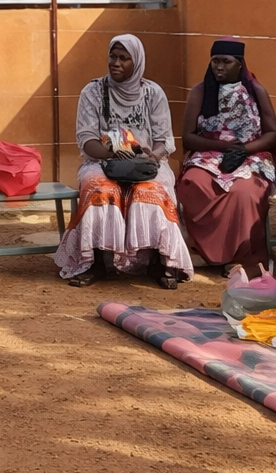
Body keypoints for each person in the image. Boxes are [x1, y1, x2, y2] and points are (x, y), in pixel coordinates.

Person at [55, 33, 193, 288]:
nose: (115, 63)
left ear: (137, 62)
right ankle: (94, 262)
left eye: (123, 58)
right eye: (112, 56)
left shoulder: (153, 93)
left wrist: (155, 154)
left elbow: (164, 139)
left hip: (146, 163)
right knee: (100, 189)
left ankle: (156, 261)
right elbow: (86, 139)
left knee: (151, 191)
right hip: (102, 161)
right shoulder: (93, 91)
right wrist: (113, 154)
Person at [178, 38, 276, 272]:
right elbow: (188, 137)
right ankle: (203, 251)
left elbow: (273, 133)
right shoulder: (200, 91)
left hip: (250, 153)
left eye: (226, 61)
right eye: (215, 61)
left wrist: (244, 149)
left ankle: (241, 256)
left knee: (244, 193)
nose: (219, 67)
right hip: (209, 152)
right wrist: (223, 147)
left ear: (239, 63)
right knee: (192, 183)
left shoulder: (255, 91)